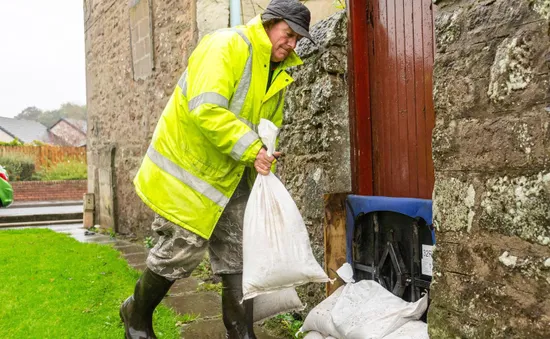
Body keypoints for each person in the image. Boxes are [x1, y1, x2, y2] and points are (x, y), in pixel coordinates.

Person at [119, 0, 313, 338]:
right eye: (289, 34)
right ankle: (135, 315)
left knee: (240, 254)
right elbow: (205, 108)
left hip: (235, 173)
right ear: (270, 22)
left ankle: (240, 333)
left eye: (298, 39)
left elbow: (266, 124)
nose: (292, 44)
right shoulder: (226, 45)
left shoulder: (277, 70)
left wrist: (264, 153)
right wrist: (253, 149)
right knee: (179, 252)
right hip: (191, 172)